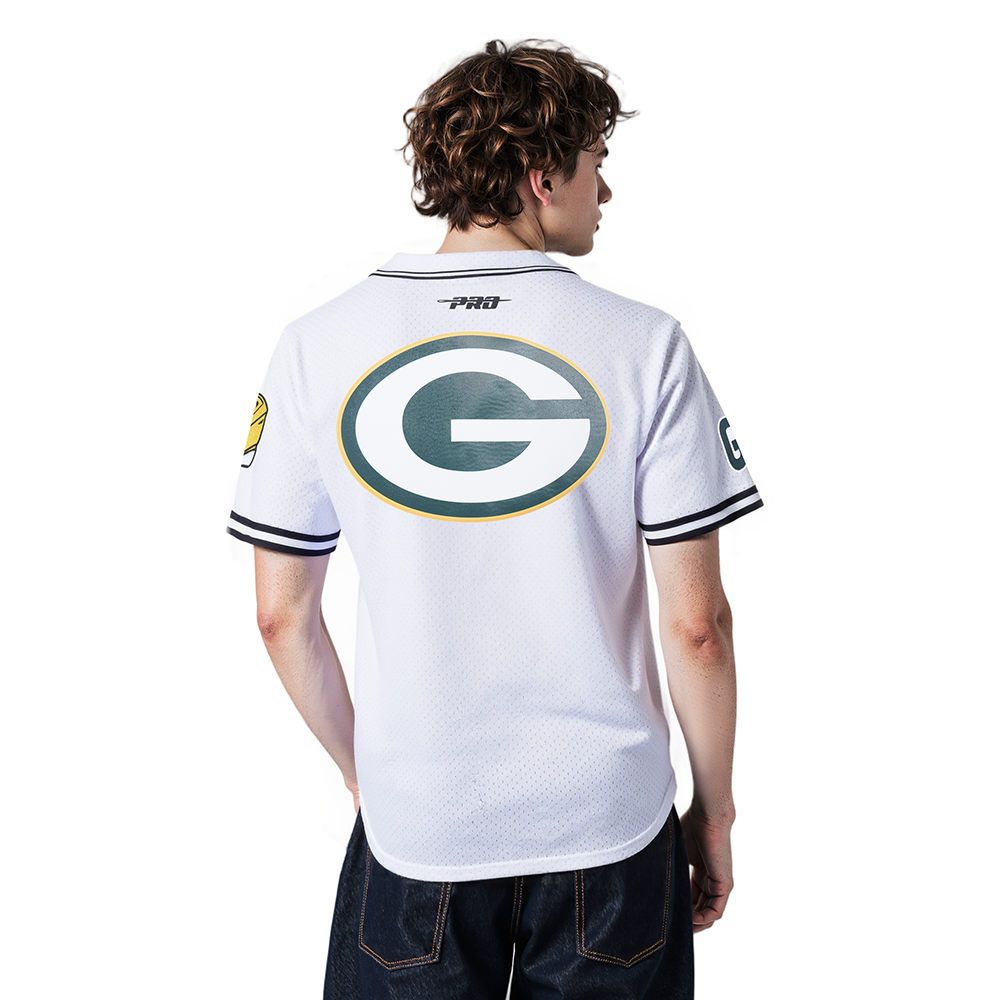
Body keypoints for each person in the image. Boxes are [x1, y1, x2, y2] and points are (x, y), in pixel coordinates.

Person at [229, 39, 762, 999]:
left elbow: (280, 616)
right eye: (596, 165)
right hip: (610, 826)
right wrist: (714, 812)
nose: (606, 192)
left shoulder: (316, 346)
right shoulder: (645, 345)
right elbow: (698, 625)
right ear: (540, 174)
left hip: (419, 825)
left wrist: (368, 774)